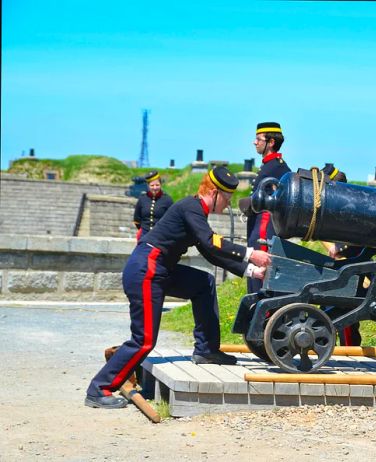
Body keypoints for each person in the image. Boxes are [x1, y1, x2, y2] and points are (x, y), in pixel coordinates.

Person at [85, 167, 272, 409]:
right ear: (214, 192)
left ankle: (206, 350)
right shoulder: (191, 207)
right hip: (148, 269)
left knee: (202, 283)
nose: (227, 205)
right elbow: (210, 241)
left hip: (160, 268)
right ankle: (99, 388)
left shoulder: (196, 212)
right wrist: (250, 253)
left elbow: (211, 252)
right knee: (144, 340)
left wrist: (250, 271)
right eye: (226, 198)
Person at [243, 122, 292, 294]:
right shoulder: (273, 166)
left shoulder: (274, 168)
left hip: (264, 231)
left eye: (258, 139)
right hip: (260, 228)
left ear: (270, 142)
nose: (254, 142)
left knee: (260, 285)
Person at [321, 163, 364, 346]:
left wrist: (341, 251)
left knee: (345, 317)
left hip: (351, 266)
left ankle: (349, 350)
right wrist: (332, 247)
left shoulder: (352, 209)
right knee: (327, 309)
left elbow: (361, 242)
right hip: (337, 266)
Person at [133, 170, 174, 241]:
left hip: (160, 236)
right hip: (144, 235)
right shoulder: (142, 199)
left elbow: (171, 220)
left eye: (157, 185)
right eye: (152, 185)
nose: (155, 188)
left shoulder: (167, 200)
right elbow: (137, 219)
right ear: (148, 186)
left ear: (161, 185)